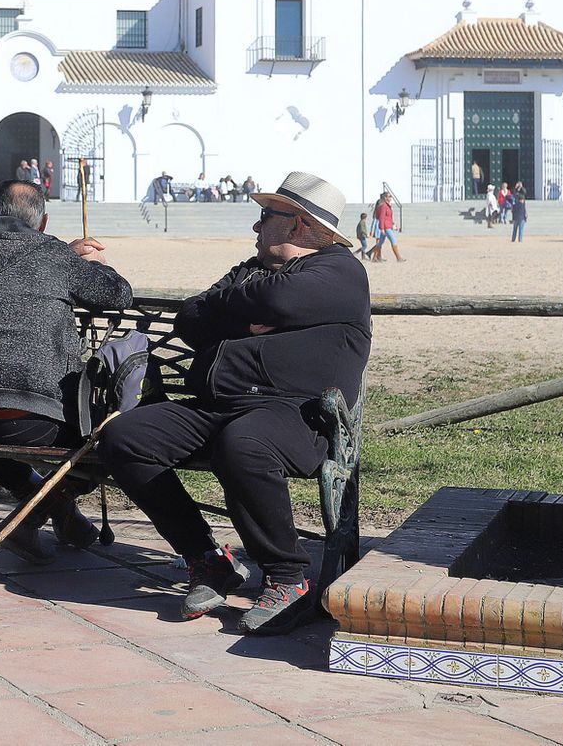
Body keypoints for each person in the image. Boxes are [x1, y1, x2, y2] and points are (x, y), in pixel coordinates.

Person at [99, 171, 372, 635]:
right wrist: (247, 313)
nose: (256, 226)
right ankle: (206, 559)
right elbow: (190, 316)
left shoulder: (341, 270)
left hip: (296, 413)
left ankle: (287, 578)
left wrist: (235, 308)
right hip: (217, 405)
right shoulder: (250, 270)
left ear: (298, 225)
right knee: (124, 437)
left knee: (244, 444)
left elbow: (281, 301)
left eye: (266, 216)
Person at [0, 179, 133, 562]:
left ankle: (55, 513)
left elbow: (21, 261)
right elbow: (118, 295)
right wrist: (87, 263)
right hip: (32, 419)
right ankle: (28, 521)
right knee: (100, 445)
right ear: (43, 222)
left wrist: (65, 255)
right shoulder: (54, 256)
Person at [374, 190, 404, 262]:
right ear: (385, 198)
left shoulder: (387, 206)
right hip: (385, 227)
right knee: (393, 240)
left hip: (387, 226)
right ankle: (398, 257)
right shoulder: (383, 206)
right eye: (389, 196)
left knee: (380, 242)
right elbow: (381, 217)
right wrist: (382, 228)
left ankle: (375, 257)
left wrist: (393, 224)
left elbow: (389, 217)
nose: (391, 198)